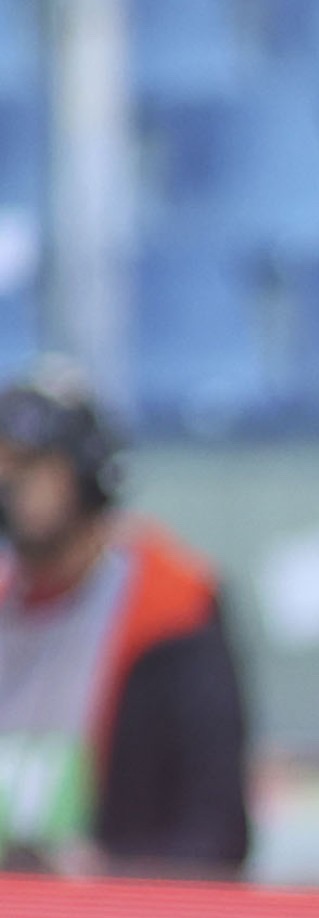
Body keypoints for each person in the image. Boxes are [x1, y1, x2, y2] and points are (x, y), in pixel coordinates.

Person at [0, 363, 251, 876]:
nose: (12, 485)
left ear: (85, 470)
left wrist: (109, 875)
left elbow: (215, 832)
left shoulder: (171, 608)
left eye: (32, 465)